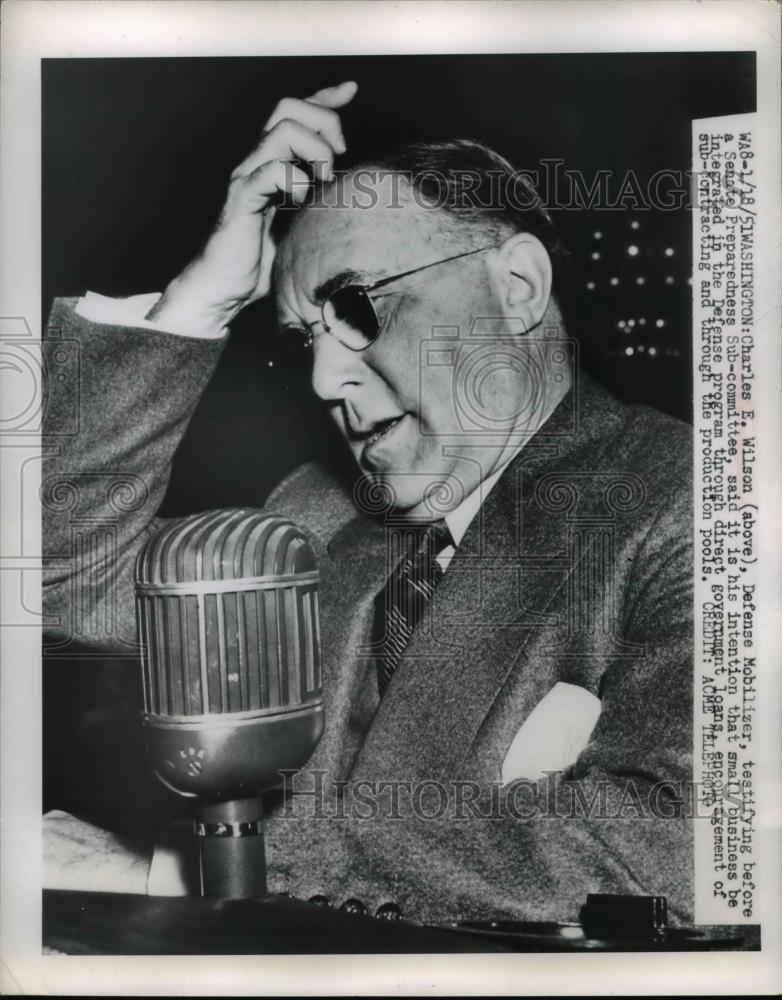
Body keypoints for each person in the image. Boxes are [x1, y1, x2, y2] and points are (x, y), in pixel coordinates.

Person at [43, 81, 694, 925]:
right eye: (302, 338)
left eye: (357, 306)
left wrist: (185, 872)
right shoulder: (317, 520)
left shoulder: (694, 503)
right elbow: (66, 577)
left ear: (521, 286)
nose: (324, 379)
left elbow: (680, 841)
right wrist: (198, 300)